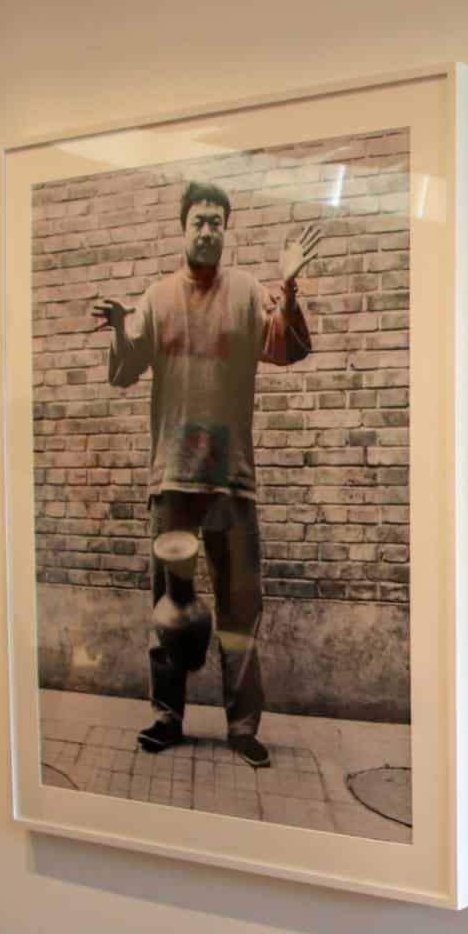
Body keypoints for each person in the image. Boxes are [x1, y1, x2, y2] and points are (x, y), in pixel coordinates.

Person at [94, 181, 321, 764]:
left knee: (240, 608)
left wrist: (290, 287)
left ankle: (242, 727)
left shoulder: (247, 292)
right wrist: (120, 327)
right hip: (172, 479)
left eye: (216, 221)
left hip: (231, 481)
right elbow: (123, 371)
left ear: (225, 229)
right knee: (168, 605)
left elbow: (288, 348)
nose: (207, 230)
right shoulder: (157, 297)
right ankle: (166, 717)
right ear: (183, 227)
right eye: (198, 220)